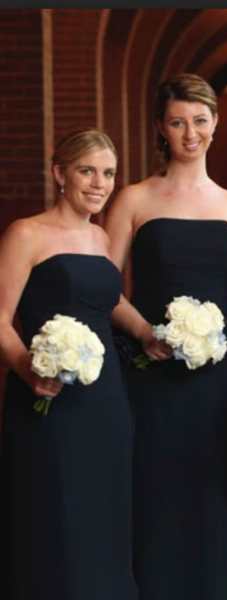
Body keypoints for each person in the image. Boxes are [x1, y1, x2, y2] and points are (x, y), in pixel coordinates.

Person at [104, 73, 227, 600]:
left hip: (216, 382)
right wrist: (143, 331)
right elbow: (103, 288)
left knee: (212, 498)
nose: (190, 133)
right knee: (154, 497)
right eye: (177, 122)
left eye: (200, 121)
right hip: (151, 373)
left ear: (215, 124)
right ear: (161, 129)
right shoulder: (134, 199)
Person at [0, 129, 137, 600]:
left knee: (103, 511)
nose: (99, 184)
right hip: (48, 395)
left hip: (106, 397)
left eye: (108, 173)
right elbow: (0, 316)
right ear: (60, 173)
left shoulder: (100, 237)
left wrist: (148, 333)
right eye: (87, 171)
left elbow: (108, 302)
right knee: (54, 511)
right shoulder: (26, 233)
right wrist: (26, 368)